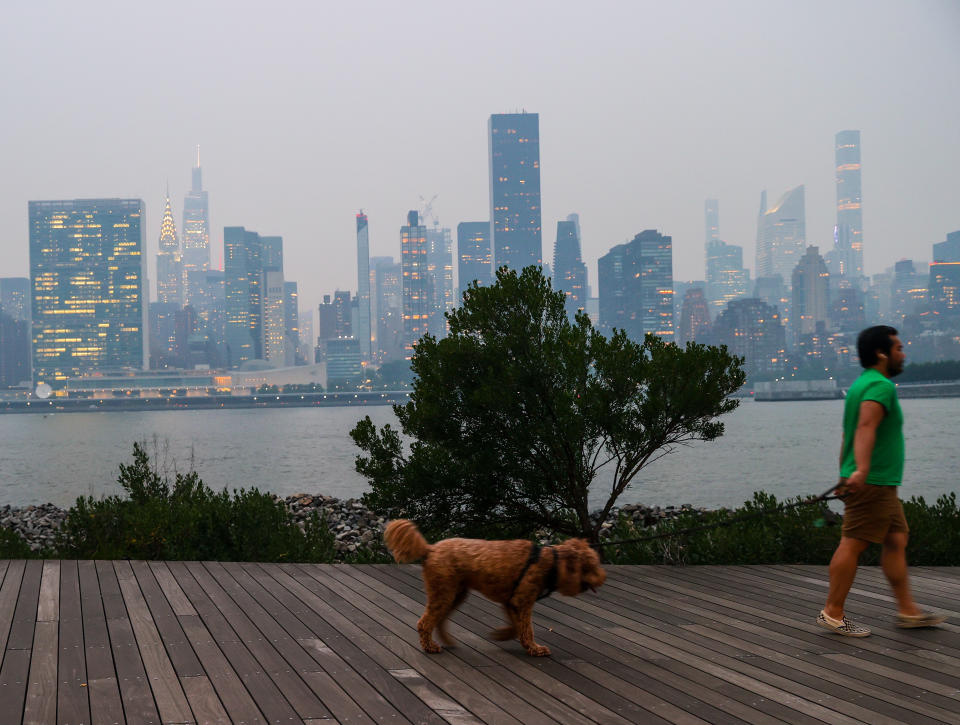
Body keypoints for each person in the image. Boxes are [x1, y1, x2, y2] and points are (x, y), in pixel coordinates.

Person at [817, 326, 946, 636]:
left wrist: (845, 473)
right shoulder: (879, 386)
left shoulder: (860, 385)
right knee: (853, 543)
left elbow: (848, 434)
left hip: (875, 480)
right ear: (881, 353)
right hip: (872, 480)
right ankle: (832, 612)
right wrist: (860, 471)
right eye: (899, 348)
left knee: (896, 539)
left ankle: (907, 611)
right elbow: (864, 426)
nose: (903, 354)